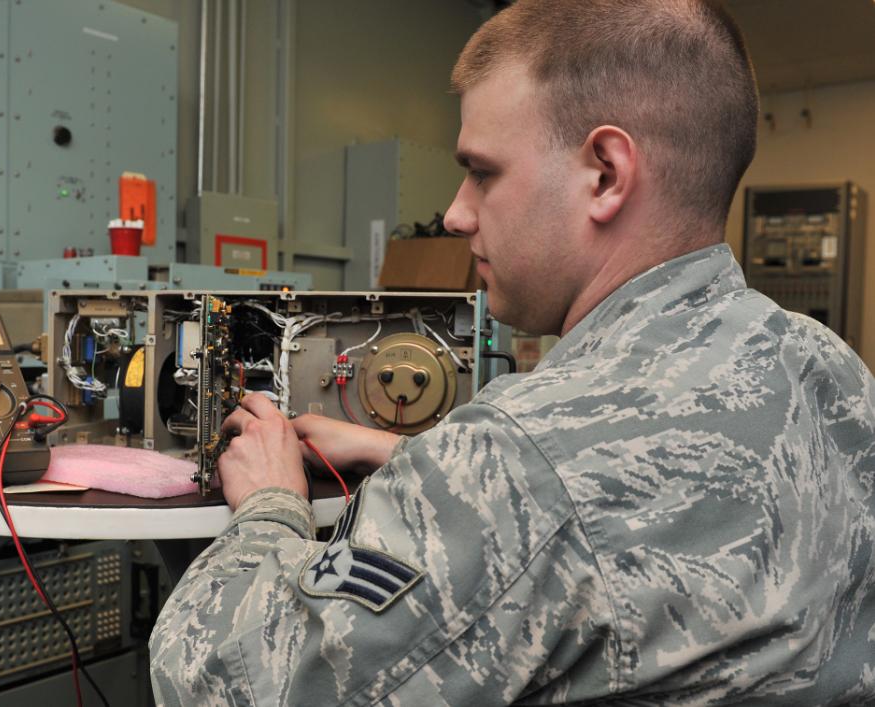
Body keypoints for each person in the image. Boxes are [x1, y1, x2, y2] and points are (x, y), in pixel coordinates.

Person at [150, 0, 875, 704]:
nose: (457, 212)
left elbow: (224, 680)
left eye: (482, 171)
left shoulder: (516, 457)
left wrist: (270, 507)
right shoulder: (830, 369)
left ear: (604, 175)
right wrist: (409, 454)